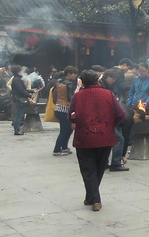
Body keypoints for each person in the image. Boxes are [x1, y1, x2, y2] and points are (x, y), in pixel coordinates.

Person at [69, 70, 125, 212]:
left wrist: (78, 121)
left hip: (85, 137)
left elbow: (71, 116)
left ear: (83, 81)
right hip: (105, 136)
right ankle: (91, 197)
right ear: (97, 80)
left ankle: (95, 199)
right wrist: (111, 125)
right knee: (99, 167)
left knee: (88, 169)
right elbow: (120, 114)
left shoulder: (78, 96)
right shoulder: (108, 94)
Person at [101, 69, 130, 172]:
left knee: (108, 140)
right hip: (105, 118)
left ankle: (104, 162)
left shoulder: (106, 85)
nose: (113, 81)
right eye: (113, 79)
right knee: (119, 139)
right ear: (108, 77)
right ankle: (116, 163)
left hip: (105, 118)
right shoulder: (102, 86)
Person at [52, 66, 79, 156]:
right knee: (65, 130)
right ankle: (56, 149)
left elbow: (54, 94)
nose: (75, 75)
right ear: (69, 74)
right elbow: (70, 97)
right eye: (74, 73)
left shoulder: (58, 81)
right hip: (66, 109)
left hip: (58, 107)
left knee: (67, 129)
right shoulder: (69, 84)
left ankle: (64, 147)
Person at [9, 64, 34, 136]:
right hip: (19, 99)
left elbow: (22, 89)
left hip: (18, 98)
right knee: (19, 115)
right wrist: (29, 95)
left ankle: (17, 129)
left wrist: (31, 91)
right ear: (18, 71)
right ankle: (17, 130)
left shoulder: (17, 78)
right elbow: (21, 90)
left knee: (19, 115)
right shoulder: (17, 79)